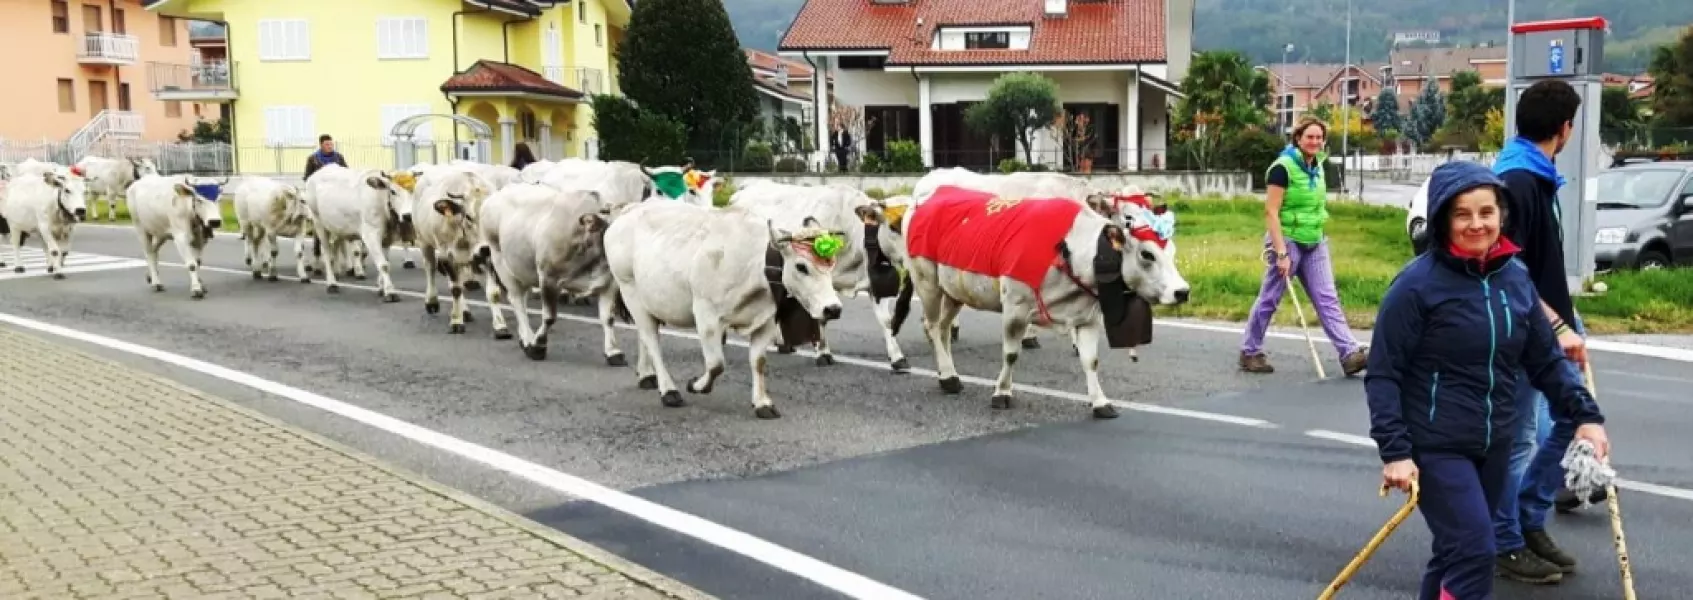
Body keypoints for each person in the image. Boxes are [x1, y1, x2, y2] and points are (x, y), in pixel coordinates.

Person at [1366, 160, 1609, 599]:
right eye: (1462, 214)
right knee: (1476, 551)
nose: (1476, 224)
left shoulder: (1514, 278)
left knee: (1453, 552)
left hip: (1493, 443)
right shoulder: (1415, 287)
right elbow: (1383, 374)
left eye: (1486, 212)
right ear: (1443, 219)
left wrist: (1585, 416)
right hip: (1437, 446)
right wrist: (1396, 451)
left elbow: (1546, 361)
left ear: (1501, 215)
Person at [1488, 78, 1600, 583]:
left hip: (1552, 325)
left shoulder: (1535, 174)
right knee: (1518, 438)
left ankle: (1528, 519)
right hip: (1525, 333)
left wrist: (1568, 320)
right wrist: (1555, 324)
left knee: (1574, 417)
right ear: (1565, 128)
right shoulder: (1517, 182)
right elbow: (1504, 269)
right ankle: (1505, 540)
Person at [1239, 117, 1369, 376]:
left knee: (1327, 298)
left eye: (1319, 138)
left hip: (1314, 240)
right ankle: (1250, 351)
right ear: (1298, 138)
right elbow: (1271, 212)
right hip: (1287, 240)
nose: (1315, 142)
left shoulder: (1318, 166)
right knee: (1269, 299)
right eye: (1309, 137)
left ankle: (1349, 354)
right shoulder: (1282, 168)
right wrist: (1281, 252)